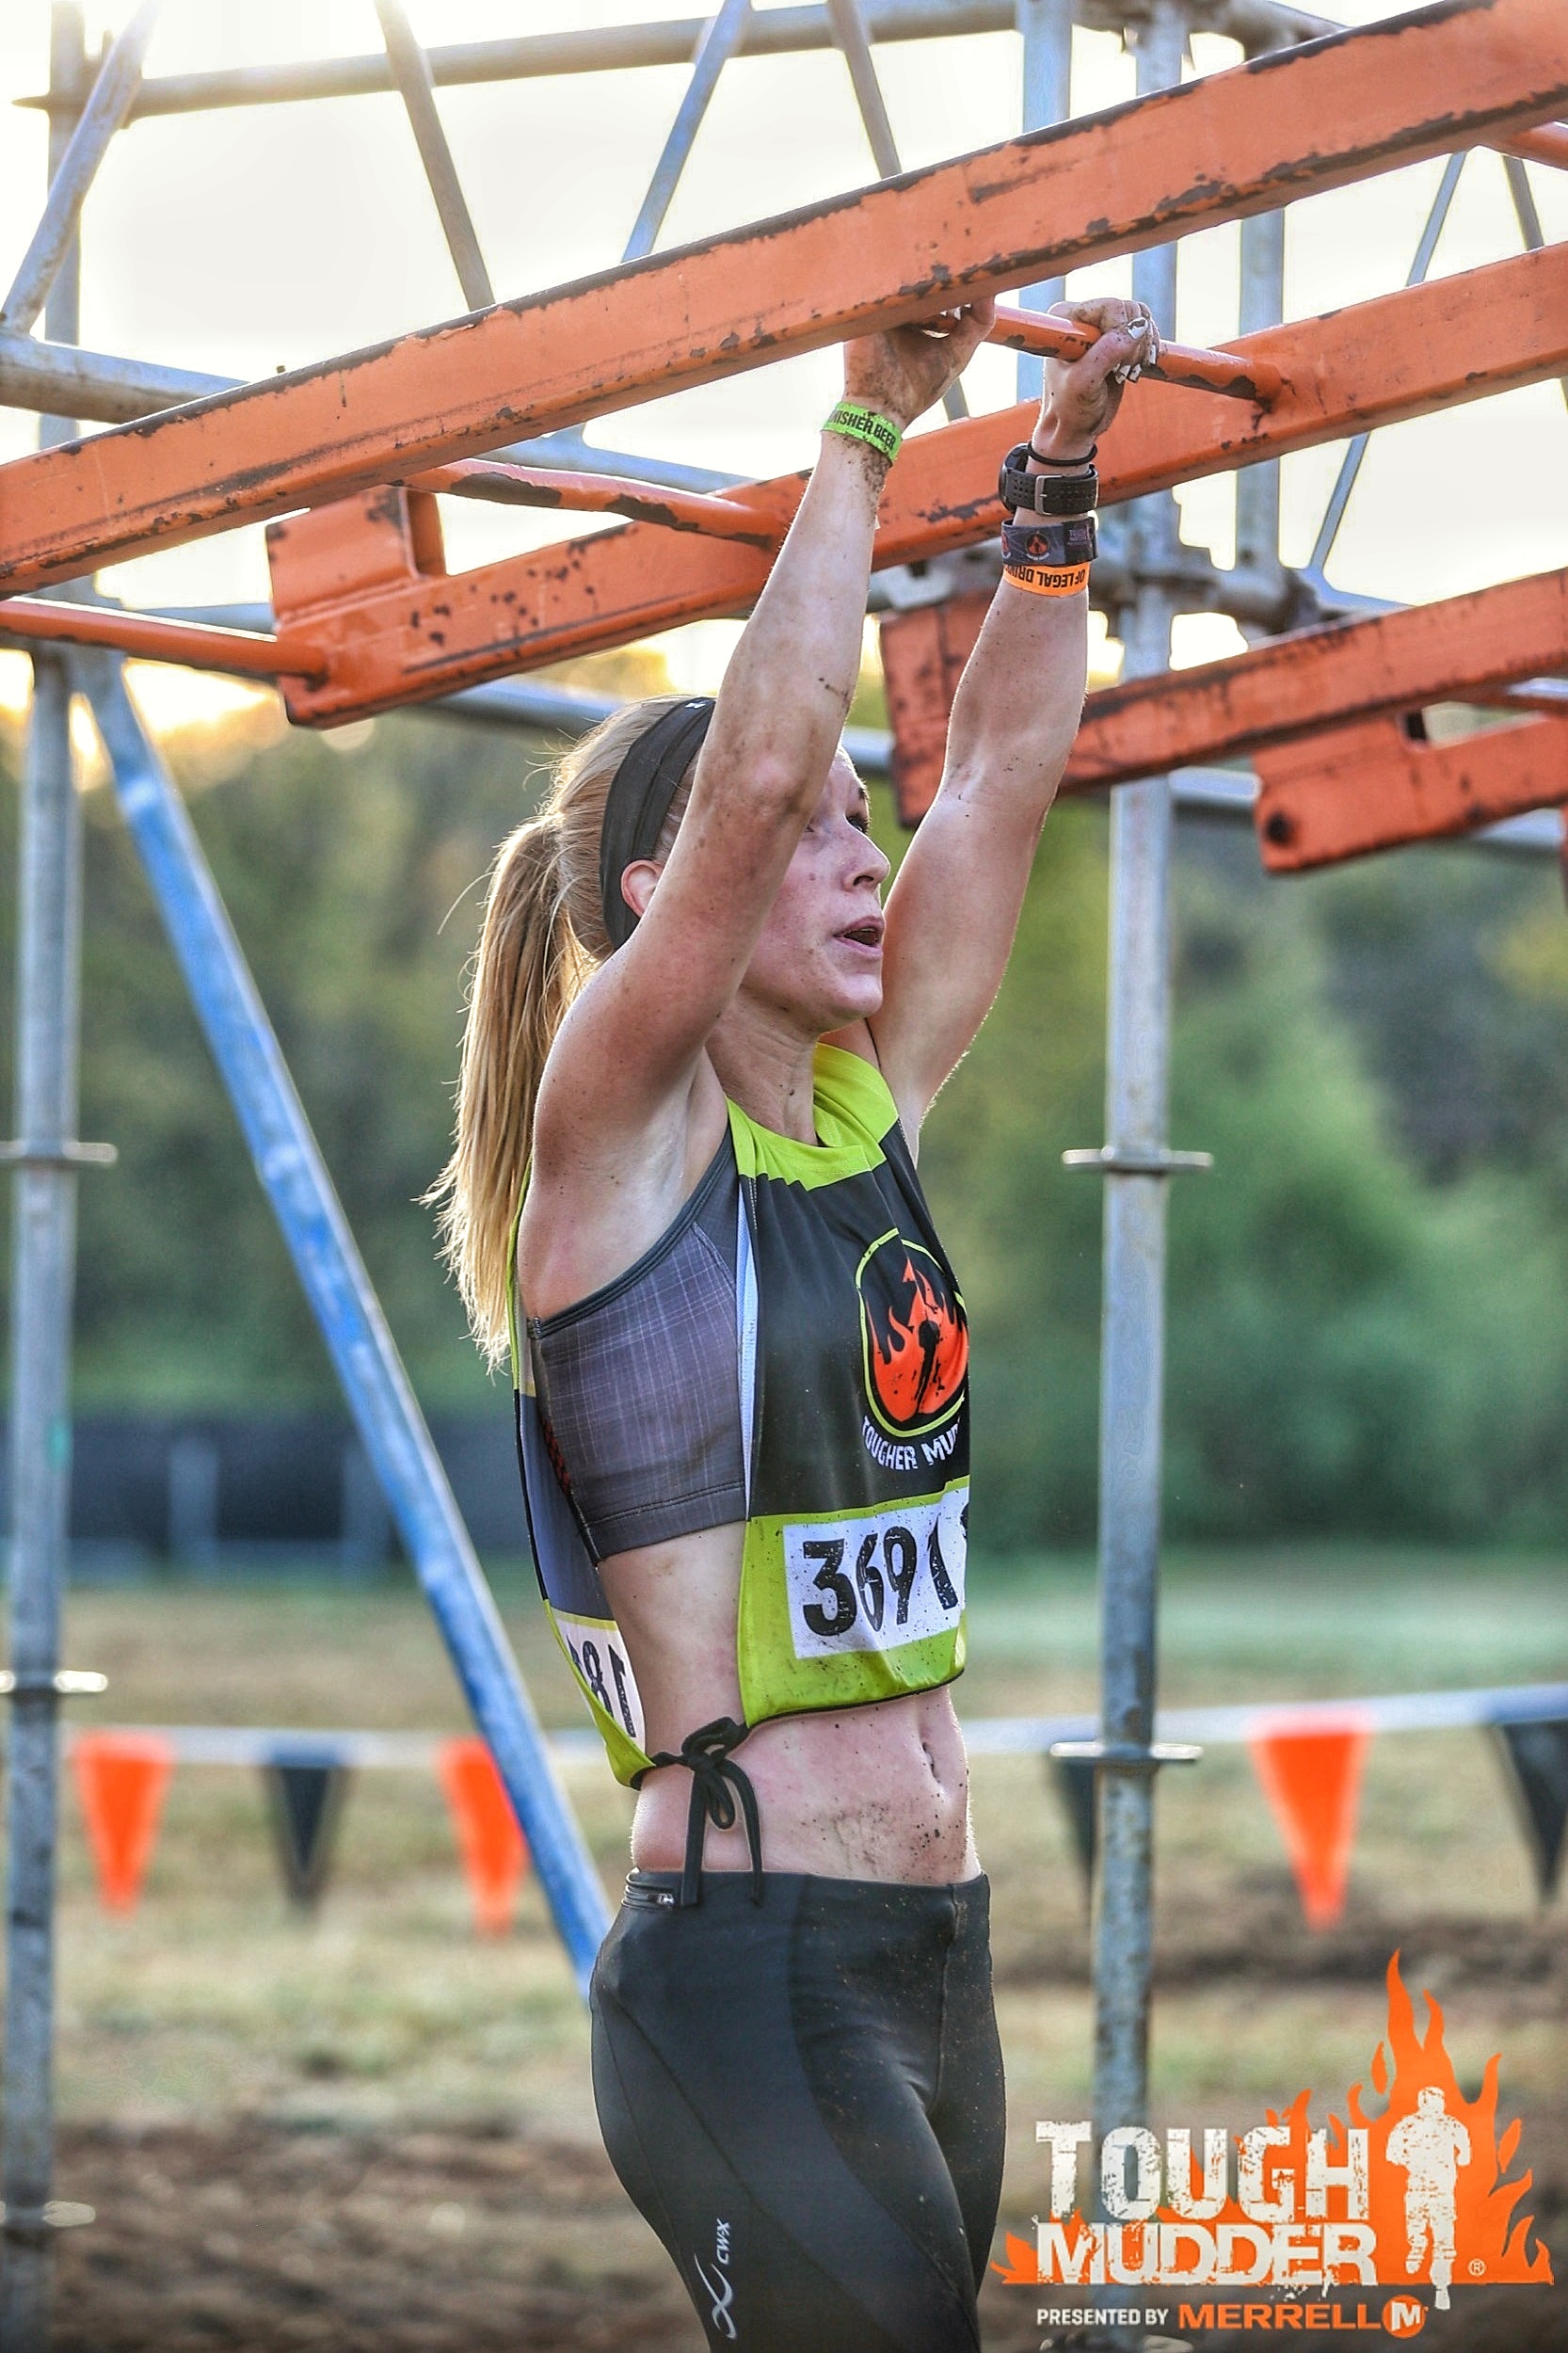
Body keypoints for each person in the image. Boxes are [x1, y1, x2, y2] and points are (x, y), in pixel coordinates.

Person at [434, 290, 1158, 2352]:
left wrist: (1049, 492)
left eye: (865, 825)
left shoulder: (861, 1109)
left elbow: (1006, 771)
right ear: (679, 885)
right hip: (742, 1969)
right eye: (827, 830)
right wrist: (865, 418)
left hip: (926, 1949)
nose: (864, 857)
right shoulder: (618, 1140)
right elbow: (755, 769)